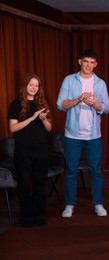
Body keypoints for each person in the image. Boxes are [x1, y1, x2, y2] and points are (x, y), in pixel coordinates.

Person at [56, 49, 109, 218]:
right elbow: (60, 105)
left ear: (95, 64)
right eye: (85, 61)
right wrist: (78, 99)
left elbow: (107, 108)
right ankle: (69, 205)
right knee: (71, 170)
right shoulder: (69, 80)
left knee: (96, 170)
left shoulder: (100, 83)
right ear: (80, 61)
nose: (88, 65)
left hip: (94, 136)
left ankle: (98, 204)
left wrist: (95, 104)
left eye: (92, 62)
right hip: (72, 135)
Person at [8, 73, 53, 227]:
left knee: (40, 183)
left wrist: (44, 119)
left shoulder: (42, 103)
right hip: (23, 151)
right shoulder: (16, 104)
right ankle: (26, 216)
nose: (33, 88)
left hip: (40, 150)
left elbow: (49, 128)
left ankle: (39, 214)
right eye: (31, 85)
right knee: (24, 184)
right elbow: (13, 128)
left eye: (36, 85)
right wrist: (32, 118)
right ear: (25, 86)